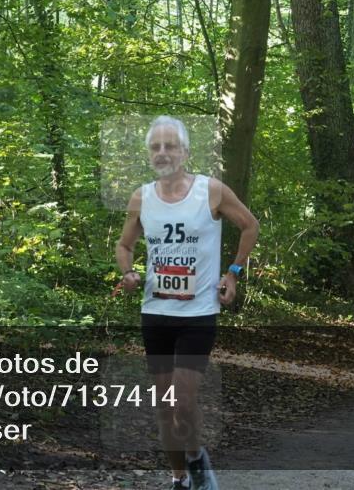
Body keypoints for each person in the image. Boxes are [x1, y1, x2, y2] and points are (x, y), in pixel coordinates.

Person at [117, 116, 259, 490]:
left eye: (170, 146)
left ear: (185, 151)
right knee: (165, 409)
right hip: (155, 314)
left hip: (197, 315)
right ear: (149, 154)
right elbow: (124, 245)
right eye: (155, 147)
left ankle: (197, 462)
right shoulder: (141, 197)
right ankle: (180, 478)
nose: (163, 153)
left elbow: (250, 225)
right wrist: (129, 272)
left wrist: (232, 273)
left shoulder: (210, 191)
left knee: (183, 404)